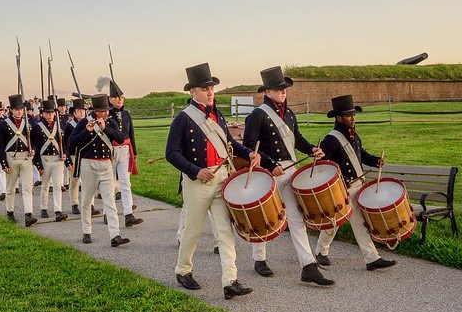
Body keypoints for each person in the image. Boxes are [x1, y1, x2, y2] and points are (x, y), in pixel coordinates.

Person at [166, 62, 260, 300]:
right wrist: (195, 171)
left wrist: (247, 152)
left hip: (221, 179)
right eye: (204, 88)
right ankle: (183, 270)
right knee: (193, 230)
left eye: (211, 88)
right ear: (192, 92)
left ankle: (230, 280)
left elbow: (229, 142)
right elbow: (171, 153)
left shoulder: (217, 114)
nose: (210, 92)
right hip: (198, 181)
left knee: (224, 231)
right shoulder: (184, 118)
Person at [242, 66, 334, 286]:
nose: (283, 92)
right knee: (265, 218)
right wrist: (270, 163)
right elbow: (248, 147)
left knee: (295, 217)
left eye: (284, 89)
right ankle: (259, 259)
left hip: (290, 169)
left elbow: (297, 139)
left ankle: (308, 265)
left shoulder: (289, 113)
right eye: (278, 89)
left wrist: (312, 149)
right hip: (269, 172)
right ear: (267, 91)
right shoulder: (257, 115)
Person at [314, 95, 397, 271]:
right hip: (342, 188)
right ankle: (322, 251)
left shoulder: (353, 134)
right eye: (349, 115)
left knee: (356, 222)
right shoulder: (331, 140)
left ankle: (371, 258)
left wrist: (375, 160)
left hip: (357, 186)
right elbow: (323, 167)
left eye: (353, 114)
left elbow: (360, 154)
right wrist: (340, 182)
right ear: (339, 118)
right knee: (336, 221)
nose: (353, 118)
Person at [69, 93, 129, 247]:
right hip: (89, 164)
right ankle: (87, 231)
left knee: (110, 202)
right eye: (103, 111)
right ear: (96, 111)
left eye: (107, 110)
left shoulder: (110, 122)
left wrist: (106, 128)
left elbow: (121, 138)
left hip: (106, 165)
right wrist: (87, 131)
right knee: (87, 201)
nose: (106, 113)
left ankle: (115, 235)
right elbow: (72, 143)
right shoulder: (84, 123)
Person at [0, 94, 37, 227]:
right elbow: (0, 146)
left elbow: (34, 140)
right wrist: (3, 162)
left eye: (21, 109)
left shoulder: (28, 123)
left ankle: (28, 214)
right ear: (11, 110)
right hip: (11, 158)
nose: (20, 111)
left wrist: (33, 149)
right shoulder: (3, 125)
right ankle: (10, 211)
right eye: (17, 109)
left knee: (27, 188)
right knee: (11, 188)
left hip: (25, 157)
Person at [108, 80, 143, 227]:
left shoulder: (127, 114)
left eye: (122, 97)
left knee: (125, 183)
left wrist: (133, 151)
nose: (120, 99)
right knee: (109, 184)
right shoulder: (107, 115)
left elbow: (131, 133)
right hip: (111, 151)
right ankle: (107, 213)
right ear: (110, 99)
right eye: (117, 97)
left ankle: (128, 214)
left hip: (125, 151)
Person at [31, 99, 71, 222]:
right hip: (45, 159)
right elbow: (35, 146)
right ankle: (44, 208)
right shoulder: (37, 128)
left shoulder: (59, 126)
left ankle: (58, 211)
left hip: (57, 158)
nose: (50, 115)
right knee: (45, 185)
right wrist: (38, 164)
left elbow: (64, 144)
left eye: (52, 113)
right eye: (47, 113)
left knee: (58, 185)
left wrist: (66, 156)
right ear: (42, 114)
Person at [63, 98, 101, 217]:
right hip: (74, 156)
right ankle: (74, 204)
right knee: (74, 182)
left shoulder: (89, 123)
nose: (81, 113)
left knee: (89, 182)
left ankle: (91, 205)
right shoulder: (69, 126)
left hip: (85, 155)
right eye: (79, 111)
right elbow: (66, 145)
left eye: (83, 111)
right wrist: (68, 161)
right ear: (74, 112)